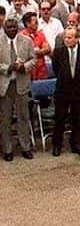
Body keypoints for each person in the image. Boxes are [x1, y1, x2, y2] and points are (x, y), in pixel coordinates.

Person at [50, 27, 80, 156]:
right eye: (66, 37)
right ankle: (57, 145)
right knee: (60, 118)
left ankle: (76, 144)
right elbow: (56, 70)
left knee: (77, 119)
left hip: (78, 89)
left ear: (77, 39)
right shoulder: (58, 52)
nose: (67, 40)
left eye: (70, 37)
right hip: (62, 90)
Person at [0, 16, 35, 160]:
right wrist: (8, 68)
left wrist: (24, 67)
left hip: (21, 84)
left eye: (14, 27)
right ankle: (7, 149)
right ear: (4, 29)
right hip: (5, 86)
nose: (12, 30)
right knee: (5, 119)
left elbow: (33, 59)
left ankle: (25, 147)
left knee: (23, 117)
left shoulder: (27, 41)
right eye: (9, 28)